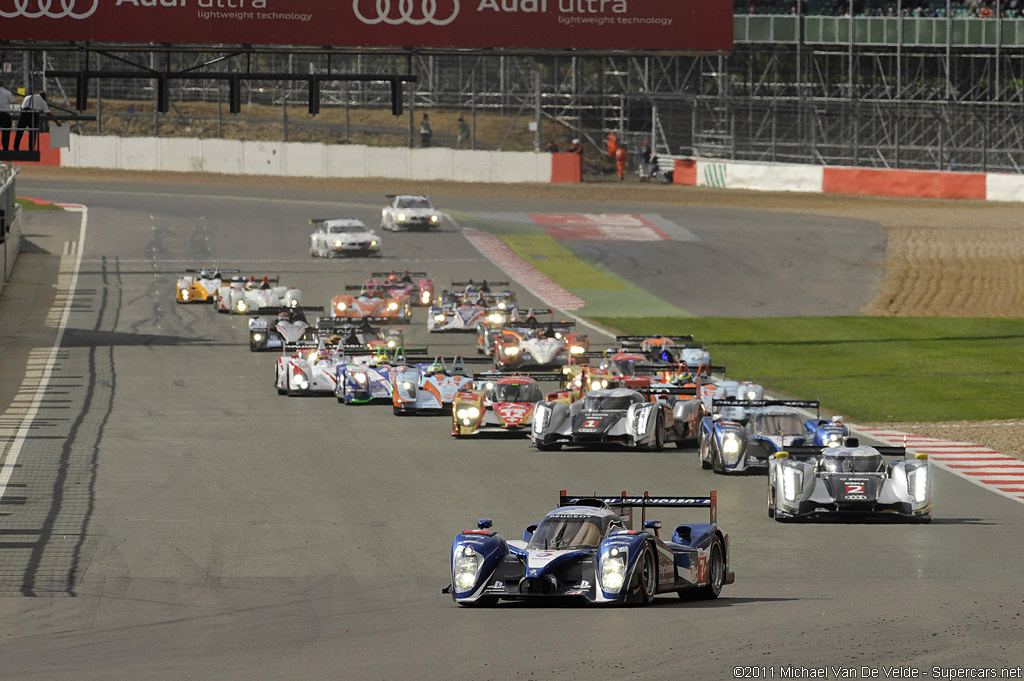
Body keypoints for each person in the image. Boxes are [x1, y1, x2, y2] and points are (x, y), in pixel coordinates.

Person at [0, 81, 15, 151]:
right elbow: (12, 102)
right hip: (5, 114)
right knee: (6, 132)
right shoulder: (8, 92)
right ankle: (5, 147)